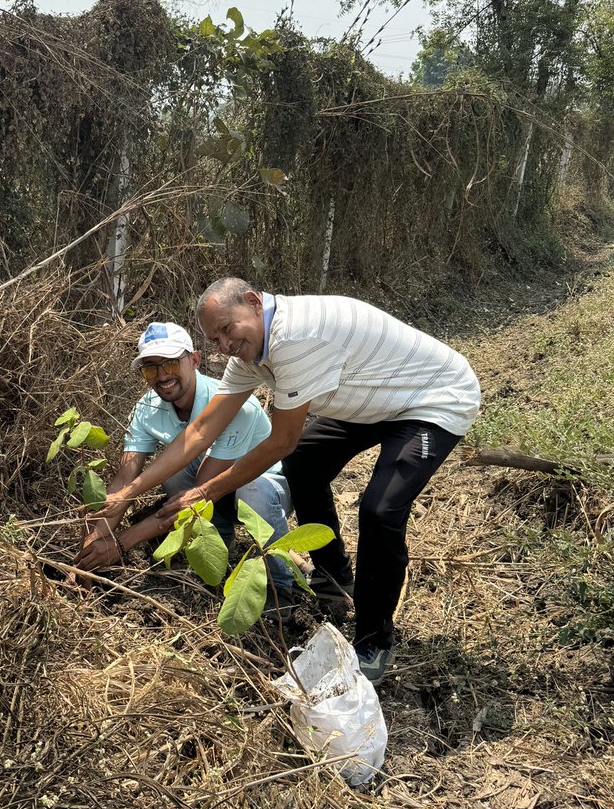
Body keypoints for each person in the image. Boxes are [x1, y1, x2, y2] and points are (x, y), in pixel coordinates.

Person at [95, 281, 480, 683]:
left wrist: (205, 491)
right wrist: (127, 491)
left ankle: (373, 640)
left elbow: (281, 440)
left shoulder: (295, 337)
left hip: (433, 398)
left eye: (228, 329)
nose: (225, 344)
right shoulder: (248, 355)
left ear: (254, 302)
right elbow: (199, 432)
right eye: (215, 338)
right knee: (305, 463)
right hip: (373, 399)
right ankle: (333, 578)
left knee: (380, 510)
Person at [75, 320, 297, 620]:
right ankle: (218, 547)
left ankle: (279, 586)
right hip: (211, 492)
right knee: (173, 470)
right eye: (150, 368)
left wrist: (120, 544)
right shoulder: (147, 407)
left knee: (251, 489)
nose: (162, 376)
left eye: (170, 364)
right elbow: (125, 479)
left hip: (263, 490)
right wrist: (90, 549)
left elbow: (198, 496)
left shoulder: (233, 404)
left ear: (194, 360)